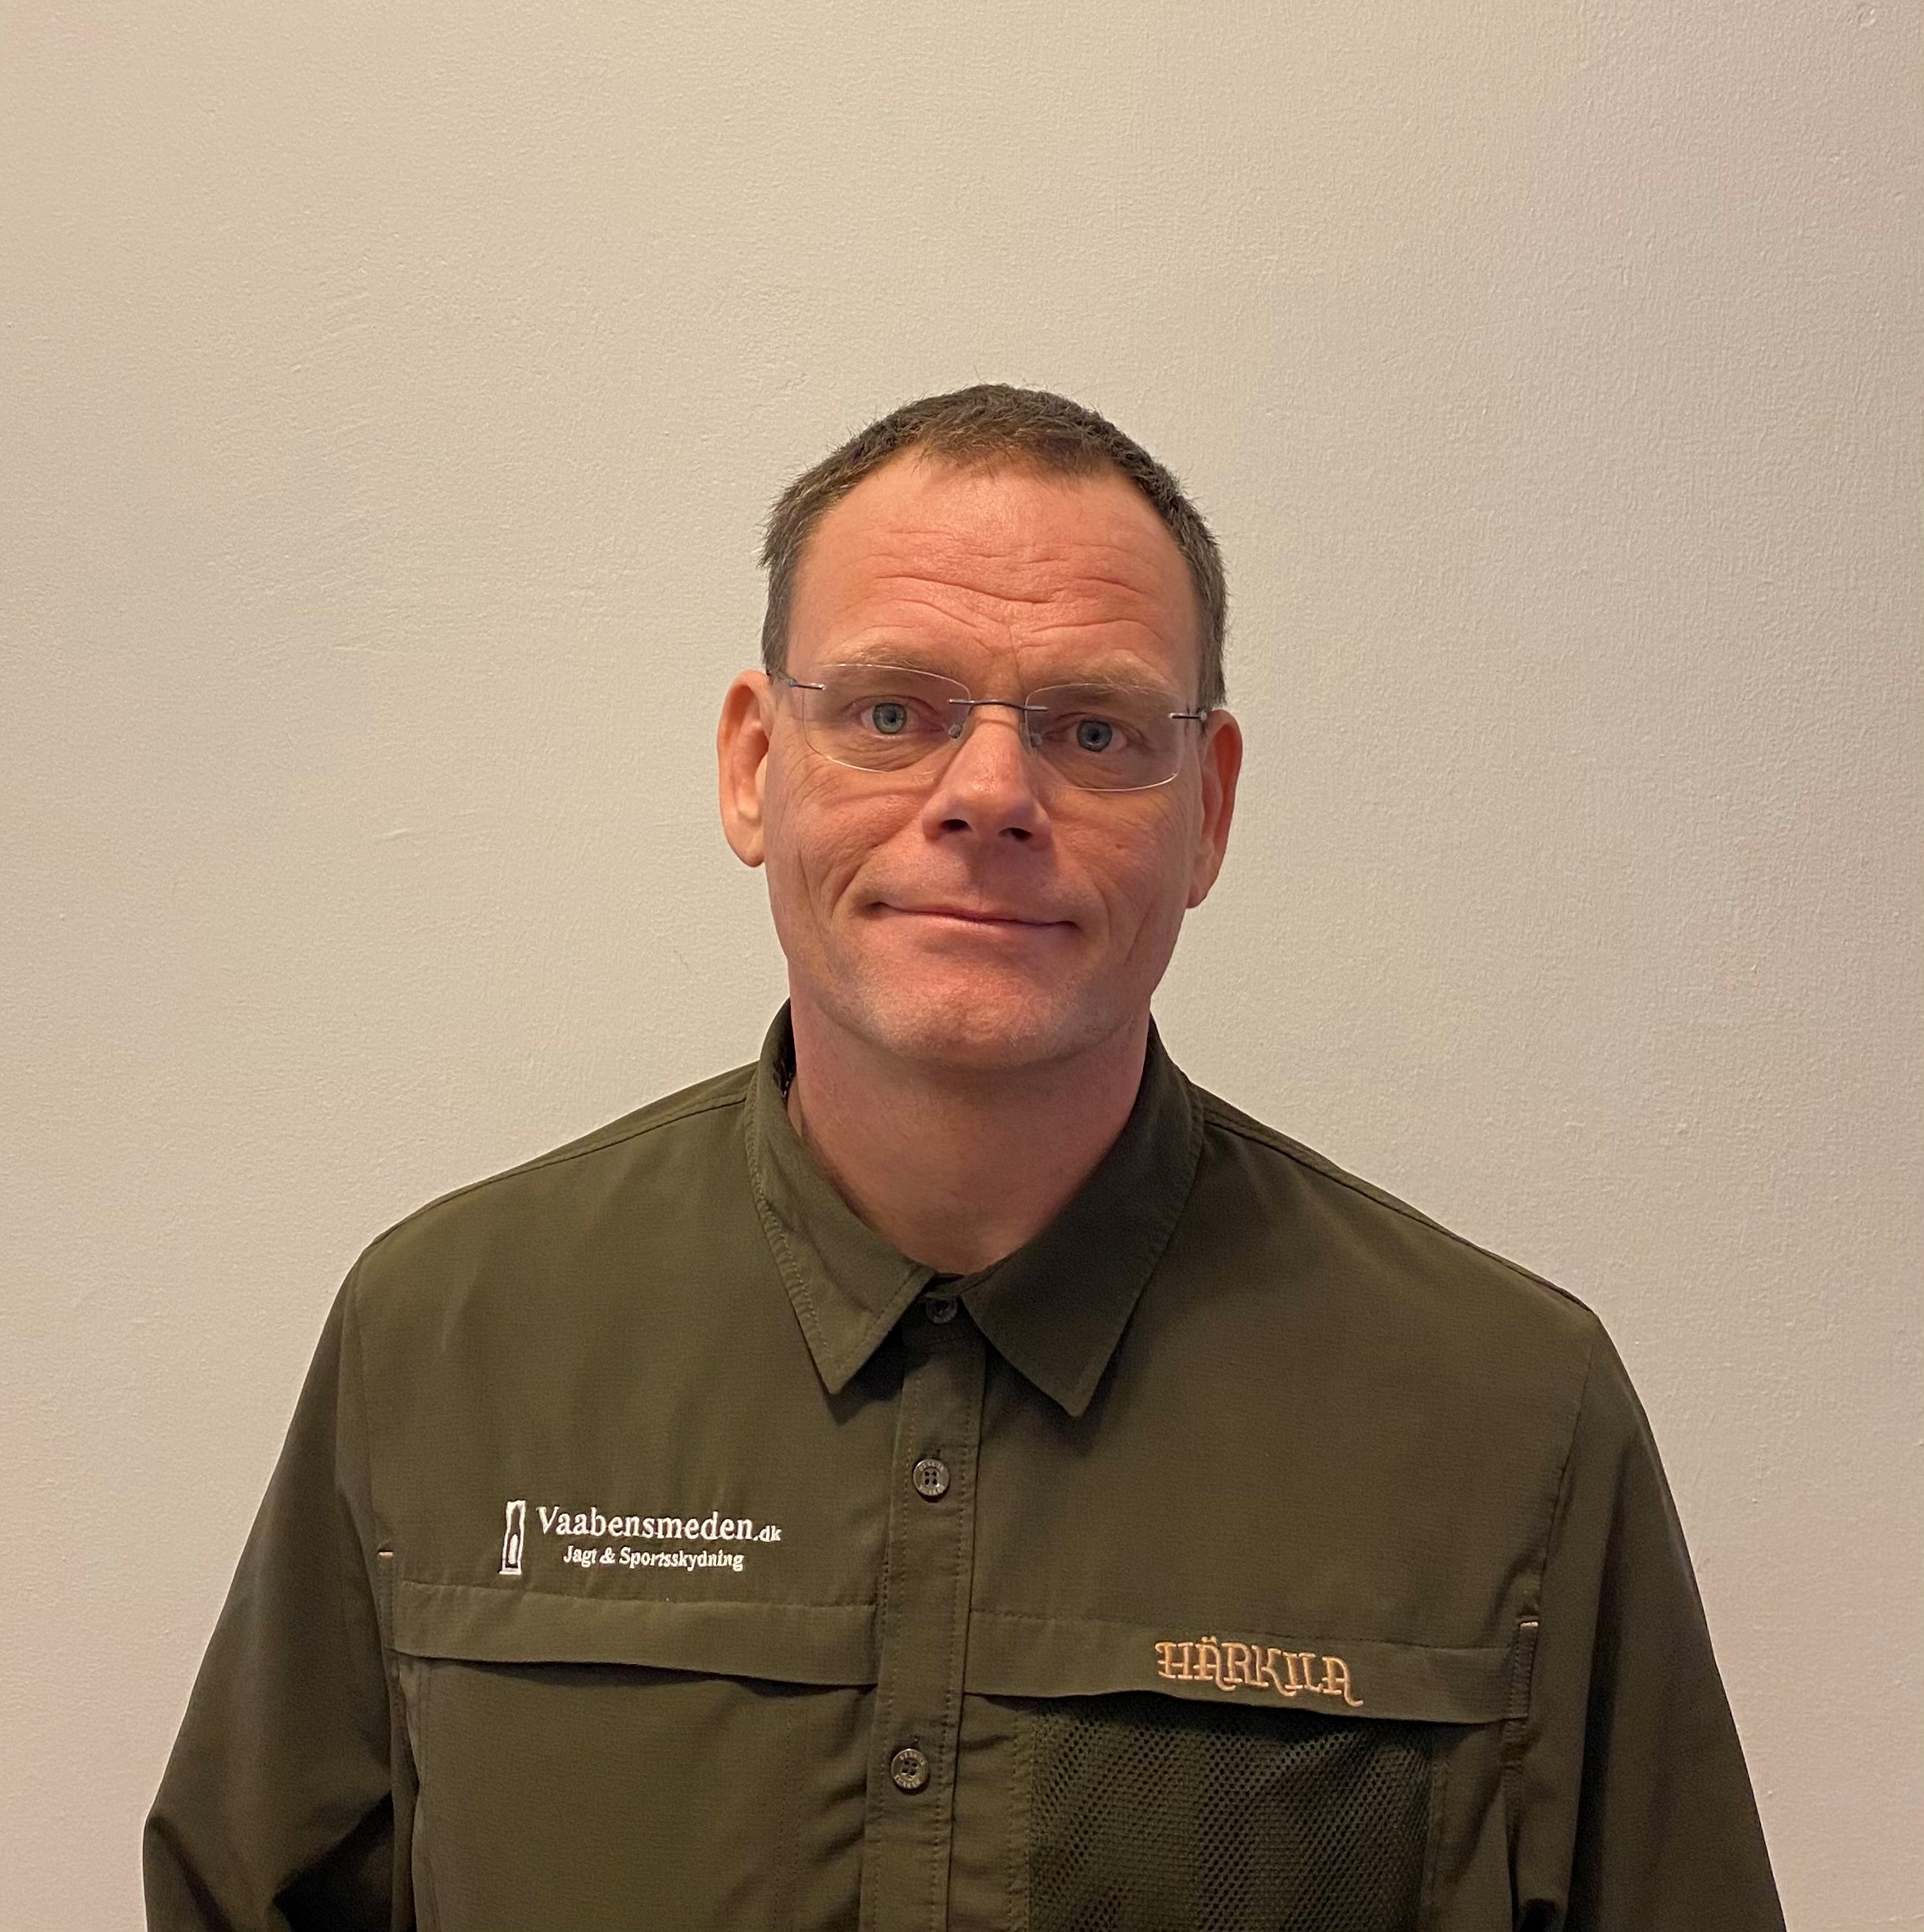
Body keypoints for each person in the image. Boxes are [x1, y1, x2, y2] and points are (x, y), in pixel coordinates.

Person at [145, 384, 1785, 1931]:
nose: (989, 793)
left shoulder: (1505, 1420)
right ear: (753, 764)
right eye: (891, 711)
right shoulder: (446, 1340)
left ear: (1207, 808)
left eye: (1093, 731)